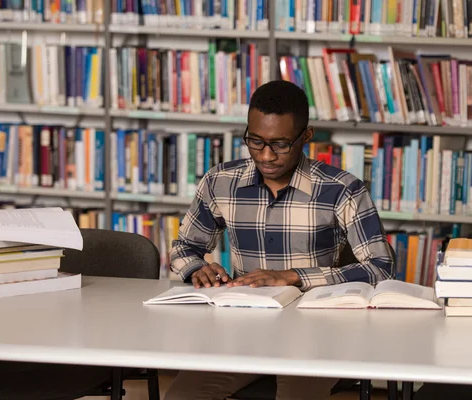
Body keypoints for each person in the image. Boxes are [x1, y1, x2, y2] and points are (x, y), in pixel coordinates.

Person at [165, 80, 395, 400]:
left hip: (315, 331)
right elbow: (184, 246)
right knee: (181, 397)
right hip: (243, 326)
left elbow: (381, 267)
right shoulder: (220, 182)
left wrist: (291, 277)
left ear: (306, 137)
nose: (267, 155)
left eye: (280, 144)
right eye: (255, 141)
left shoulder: (341, 189)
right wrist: (194, 268)